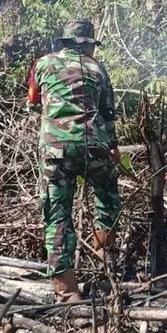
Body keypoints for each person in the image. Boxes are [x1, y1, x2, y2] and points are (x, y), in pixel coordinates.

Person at [27, 19, 122, 303]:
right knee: (108, 195)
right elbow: (108, 115)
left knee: (57, 215)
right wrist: (113, 147)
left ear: (65, 43)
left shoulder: (42, 64)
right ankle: (104, 254)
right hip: (94, 147)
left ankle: (67, 291)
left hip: (55, 152)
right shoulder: (98, 69)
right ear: (88, 45)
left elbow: (33, 102)